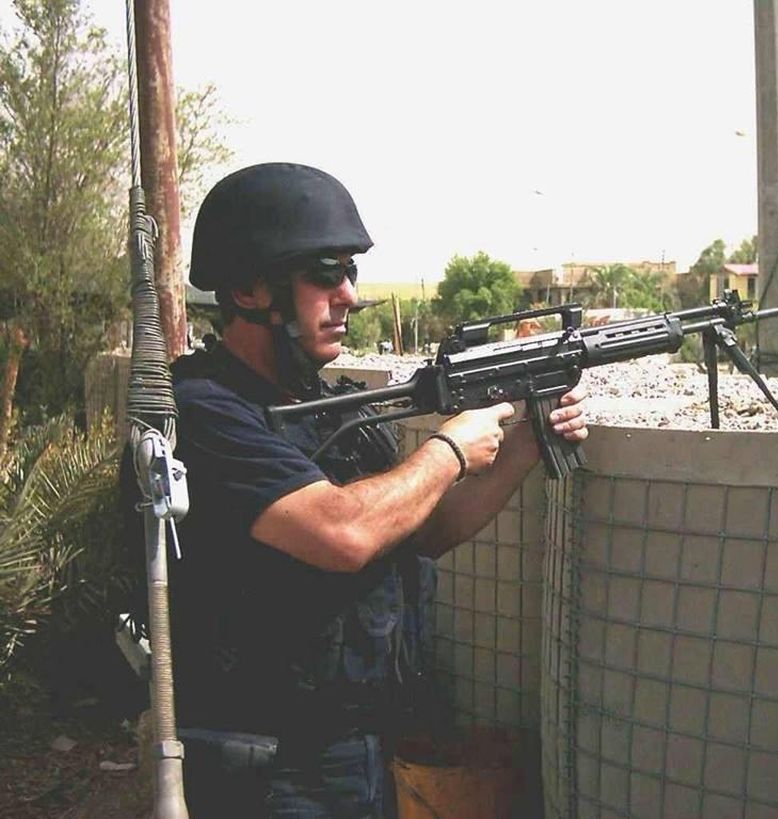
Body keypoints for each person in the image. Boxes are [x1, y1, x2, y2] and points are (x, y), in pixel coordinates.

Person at [136, 162, 588, 818]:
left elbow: (423, 530)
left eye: (350, 272)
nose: (348, 294)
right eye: (325, 274)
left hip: (359, 747)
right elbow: (342, 532)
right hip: (270, 766)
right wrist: (449, 451)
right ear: (249, 289)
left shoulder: (321, 407)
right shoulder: (205, 411)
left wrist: (524, 444)